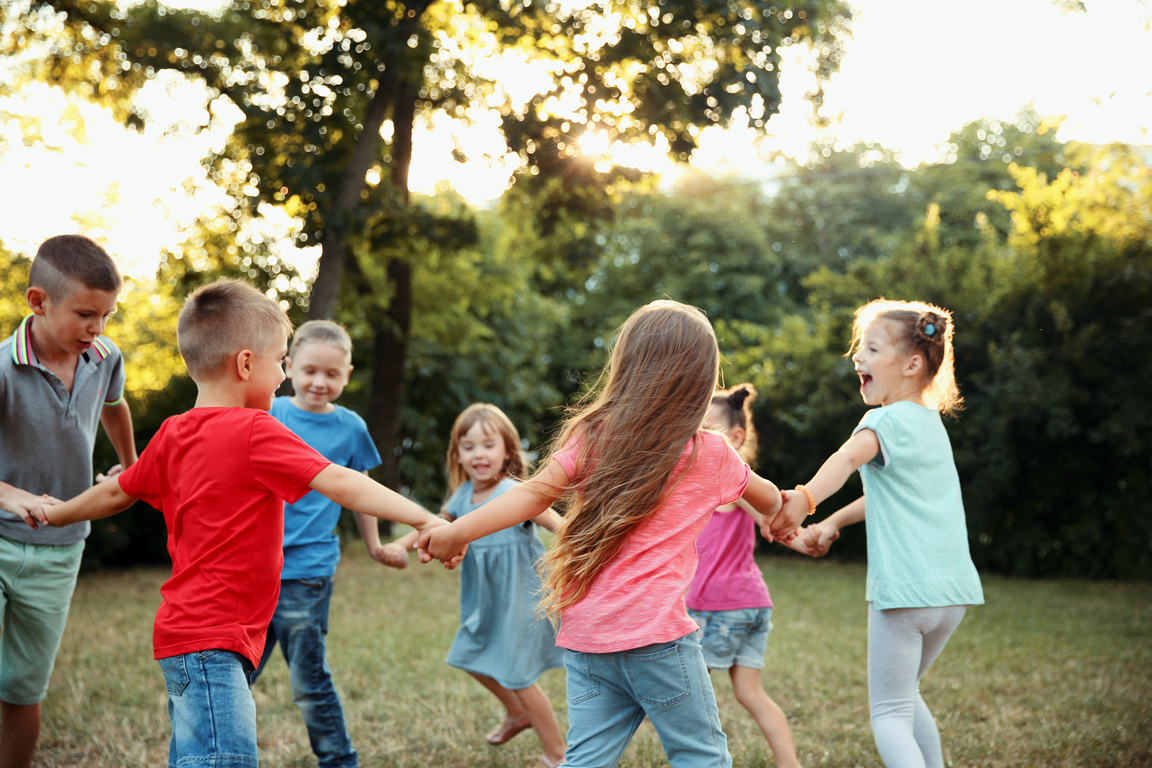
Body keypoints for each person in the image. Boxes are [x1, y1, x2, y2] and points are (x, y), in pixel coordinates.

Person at [28, 279, 454, 768]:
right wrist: (423, 516)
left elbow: (115, 491)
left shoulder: (173, 433)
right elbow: (340, 481)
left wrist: (56, 510)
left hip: (188, 636)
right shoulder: (256, 430)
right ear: (247, 363)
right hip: (213, 640)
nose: (282, 377)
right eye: (279, 362)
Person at [418, 300, 807, 768]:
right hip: (659, 642)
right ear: (701, 381)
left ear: (627, 367)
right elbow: (769, 503)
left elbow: (532, 495)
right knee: (701, 756)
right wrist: (795, 507)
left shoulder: (593, 434)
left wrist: (457, 532)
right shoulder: (711, 453)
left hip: (586, 639)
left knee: (586, 760)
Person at [784, 299, 984, 768]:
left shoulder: (881, 420)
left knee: (889, 713)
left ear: (912, 364)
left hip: (905, 593)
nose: (858, 358)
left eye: (871, 349)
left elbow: (848, 459)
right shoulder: (930, 425)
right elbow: (886, 496)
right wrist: (832, 522)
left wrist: (806, 499)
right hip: (949, 595)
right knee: (906, 696)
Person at [0, 234, 138, 768]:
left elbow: (115, 406)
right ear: (38, 301)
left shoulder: (104, 356)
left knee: (22, 687)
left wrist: (130, 462)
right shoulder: (4, 369)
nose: (97, 328)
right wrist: (10, 495)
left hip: (60, 551)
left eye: (106, 315)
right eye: (85, 314)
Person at [386, 404, 566, 767]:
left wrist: (587, 549)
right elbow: (432, 524)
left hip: (520, 598)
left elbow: (558, 525)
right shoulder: (463, 496)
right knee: (467, 653)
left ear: (507, 451)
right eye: (469, 447)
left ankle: (558, 755)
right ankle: (518, 714)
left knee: (517, 674)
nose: (479, 454)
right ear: (457, 455)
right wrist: (399, 545)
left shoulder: (517, 491)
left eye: (488, 445)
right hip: (484, 600)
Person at [250, 320, 387, 768]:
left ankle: (340, 761)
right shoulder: (268, 413)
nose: (319, 382)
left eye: (332, 374)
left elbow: (360, 491)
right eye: (309, 370)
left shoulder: (351, 428)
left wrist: (373, 545)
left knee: (308, 681)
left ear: (347, 374)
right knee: (234, 676)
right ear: (288, 367)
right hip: (251, 571)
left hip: (307, 573)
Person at [688, 383, 803, 768]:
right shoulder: (726, 485)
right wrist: (803, 539)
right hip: (752, 604)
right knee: (750, 694)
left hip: (719, 609)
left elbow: (767, 518)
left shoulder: (729, 482)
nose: (699, 440)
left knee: (685, 693)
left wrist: (790, 531)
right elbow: (772, 521)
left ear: (735, 439)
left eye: (709, 431)